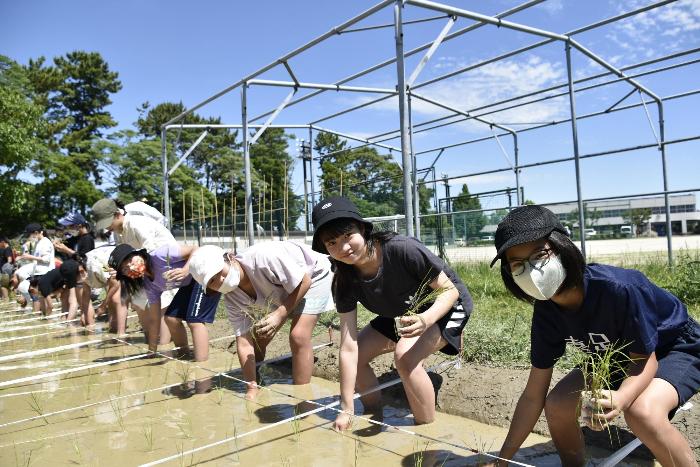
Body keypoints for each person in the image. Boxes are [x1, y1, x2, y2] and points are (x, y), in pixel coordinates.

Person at [488, 205, 700, 467]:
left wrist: (620, 398)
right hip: (613, 354)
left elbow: (645, 359)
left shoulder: (619, 289)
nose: (531, 272)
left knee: (642, 412)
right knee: (557, 403)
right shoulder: (546, 311)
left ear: (562, 248)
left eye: (539, 256)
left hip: (675, 347)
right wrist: (501, 459)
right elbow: (534, 394)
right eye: (518, 264)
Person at [311, 196, 473, 431]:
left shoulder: (401, 249)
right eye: (332, 242)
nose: (343, 248)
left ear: (363, 229)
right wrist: (346, 407)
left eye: (348, 236)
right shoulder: (344, 280)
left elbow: (449, 291)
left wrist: (426, 320)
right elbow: (348, 345)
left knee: (405, 359)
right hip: (402, 310)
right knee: (358, 357)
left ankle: (425, 430)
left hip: (447, 304)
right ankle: (373, 412)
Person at [187, 242, 333, 399]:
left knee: (298, 336)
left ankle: (302, 397)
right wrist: (251, 388)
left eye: (219, 272)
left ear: (230, 257)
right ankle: (257, 377)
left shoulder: (264, 258)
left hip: (313, 276)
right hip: (285, 290)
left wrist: (280, 314)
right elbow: (244, 343)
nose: (221, 280)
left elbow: (304, 281)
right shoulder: (232, 299)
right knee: (258, 338)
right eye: (213, 282)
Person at [109, 243, 219, 361]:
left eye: (130, 260)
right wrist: (152, 349)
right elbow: (154, 318)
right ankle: (184, 355)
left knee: (194, 321)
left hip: (207, 274)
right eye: (125, 269)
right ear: (127, 276)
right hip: (190, 284)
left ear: (138, 254)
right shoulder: (149, 285)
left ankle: (201, 365)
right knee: (170, 319)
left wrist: (186, 270)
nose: (131, 267)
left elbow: (195, 248)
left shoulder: (160, 255)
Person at [92, 198, 177, 343]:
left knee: (161, 316)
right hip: (142, 272)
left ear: (118, 214)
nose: (107, 228)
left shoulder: (137, 224)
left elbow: (152, 252)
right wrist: (119, 269)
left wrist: (130, 268)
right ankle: (151, 342)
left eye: (108, 224)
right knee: (139, 304)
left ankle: (164, 345)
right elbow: (124, 257)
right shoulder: (118, 232)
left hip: (163, 268)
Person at [0, 236, 15, 301]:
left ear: (3, 242)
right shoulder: (6, 249)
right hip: (4, 270)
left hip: (5, 271)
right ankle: (5, 298)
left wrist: (6, 271)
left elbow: (9, 260)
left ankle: (5, 299)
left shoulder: (7, 249)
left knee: (3, 286)